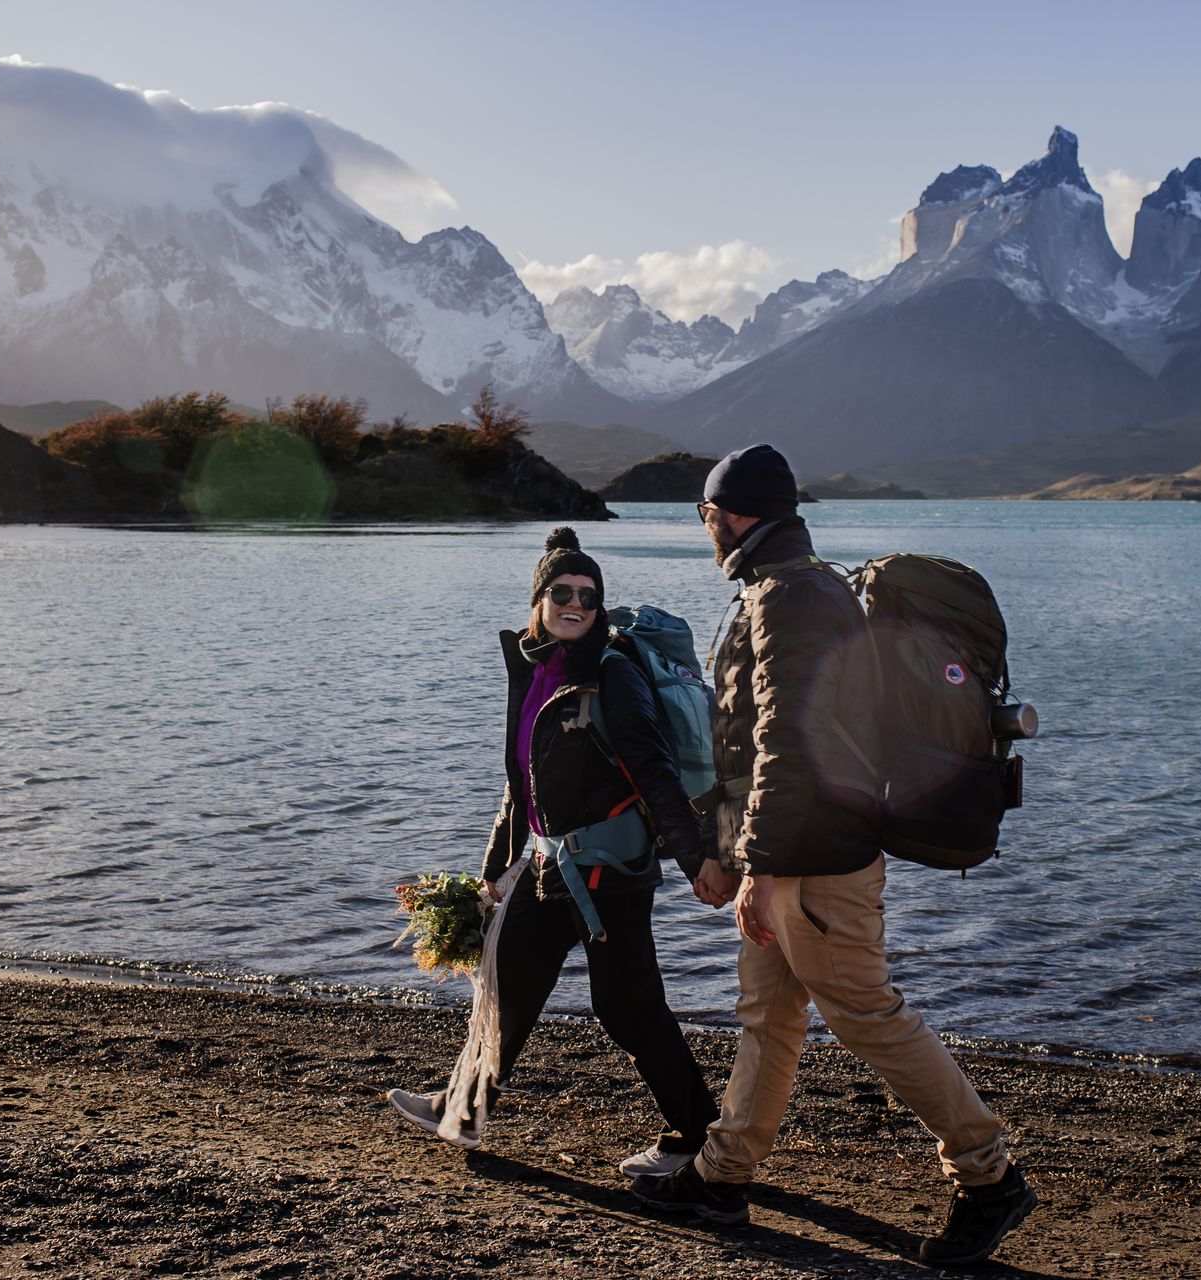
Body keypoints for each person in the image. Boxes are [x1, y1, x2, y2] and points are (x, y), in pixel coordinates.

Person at [630, 445, 1036, 1268]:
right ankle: (722, 1174)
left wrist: (763, 866)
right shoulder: (785, 586)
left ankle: (988, 1176)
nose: (705, 527)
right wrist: (741, 853)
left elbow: (790, 743)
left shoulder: (792, 598)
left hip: (815, 862)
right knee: (768, 1019)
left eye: (705, 513)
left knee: (868, 1018)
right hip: (786, 853)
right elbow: (749, 744)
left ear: (732, 512)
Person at [387, 527, 731, 1177]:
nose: (576, 603)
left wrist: (696, 861)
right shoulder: (534, 672)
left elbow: (655, 774)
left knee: (628, 1008)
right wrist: (494, 872)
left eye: (588, 595)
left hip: (612, 876)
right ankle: (461, 1108)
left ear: (599, 608)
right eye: (563, 591)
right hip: (549, 867)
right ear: (539, 599)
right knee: (507, 984)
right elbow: (521, 787)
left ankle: (701, 1137)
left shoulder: (615, 676)